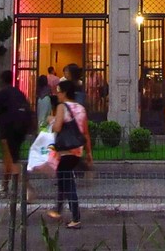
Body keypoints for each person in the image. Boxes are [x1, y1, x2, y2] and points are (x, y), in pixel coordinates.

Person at [46, 80, 92, 229]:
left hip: (65, 151)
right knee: (64, 179)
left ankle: (75, 217)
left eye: (58, 91)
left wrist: (51, 120)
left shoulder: (61, 107)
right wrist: (89, 153)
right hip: (77, 150)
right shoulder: (81, 108)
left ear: (64, 92)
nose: (57, 94)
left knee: (68, 183)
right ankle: (58, 210)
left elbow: (58, 127)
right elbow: (85, 132)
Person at [0, 70, 32, 195]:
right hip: (21, 129)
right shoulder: (19, 93)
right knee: (9, 158)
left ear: (1, 80)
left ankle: (26, 190)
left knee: (12, 160)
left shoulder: (1, 94)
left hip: (7, 130)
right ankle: (4, 185)